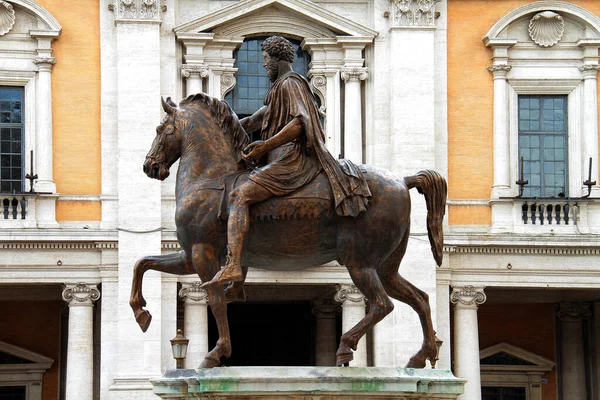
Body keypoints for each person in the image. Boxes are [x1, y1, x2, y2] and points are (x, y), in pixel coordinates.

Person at [202, 36, 370, 288]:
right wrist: (228, 127)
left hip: (291, 160)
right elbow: (259, 118)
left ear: (277, 58)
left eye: (266, 59)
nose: (264, 65)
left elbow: (299, 123)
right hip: (279, 158)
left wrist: (264, 146)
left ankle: (234, 265)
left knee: (239, 196)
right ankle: (238, 279)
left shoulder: (291, 83)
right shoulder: (279, 87)